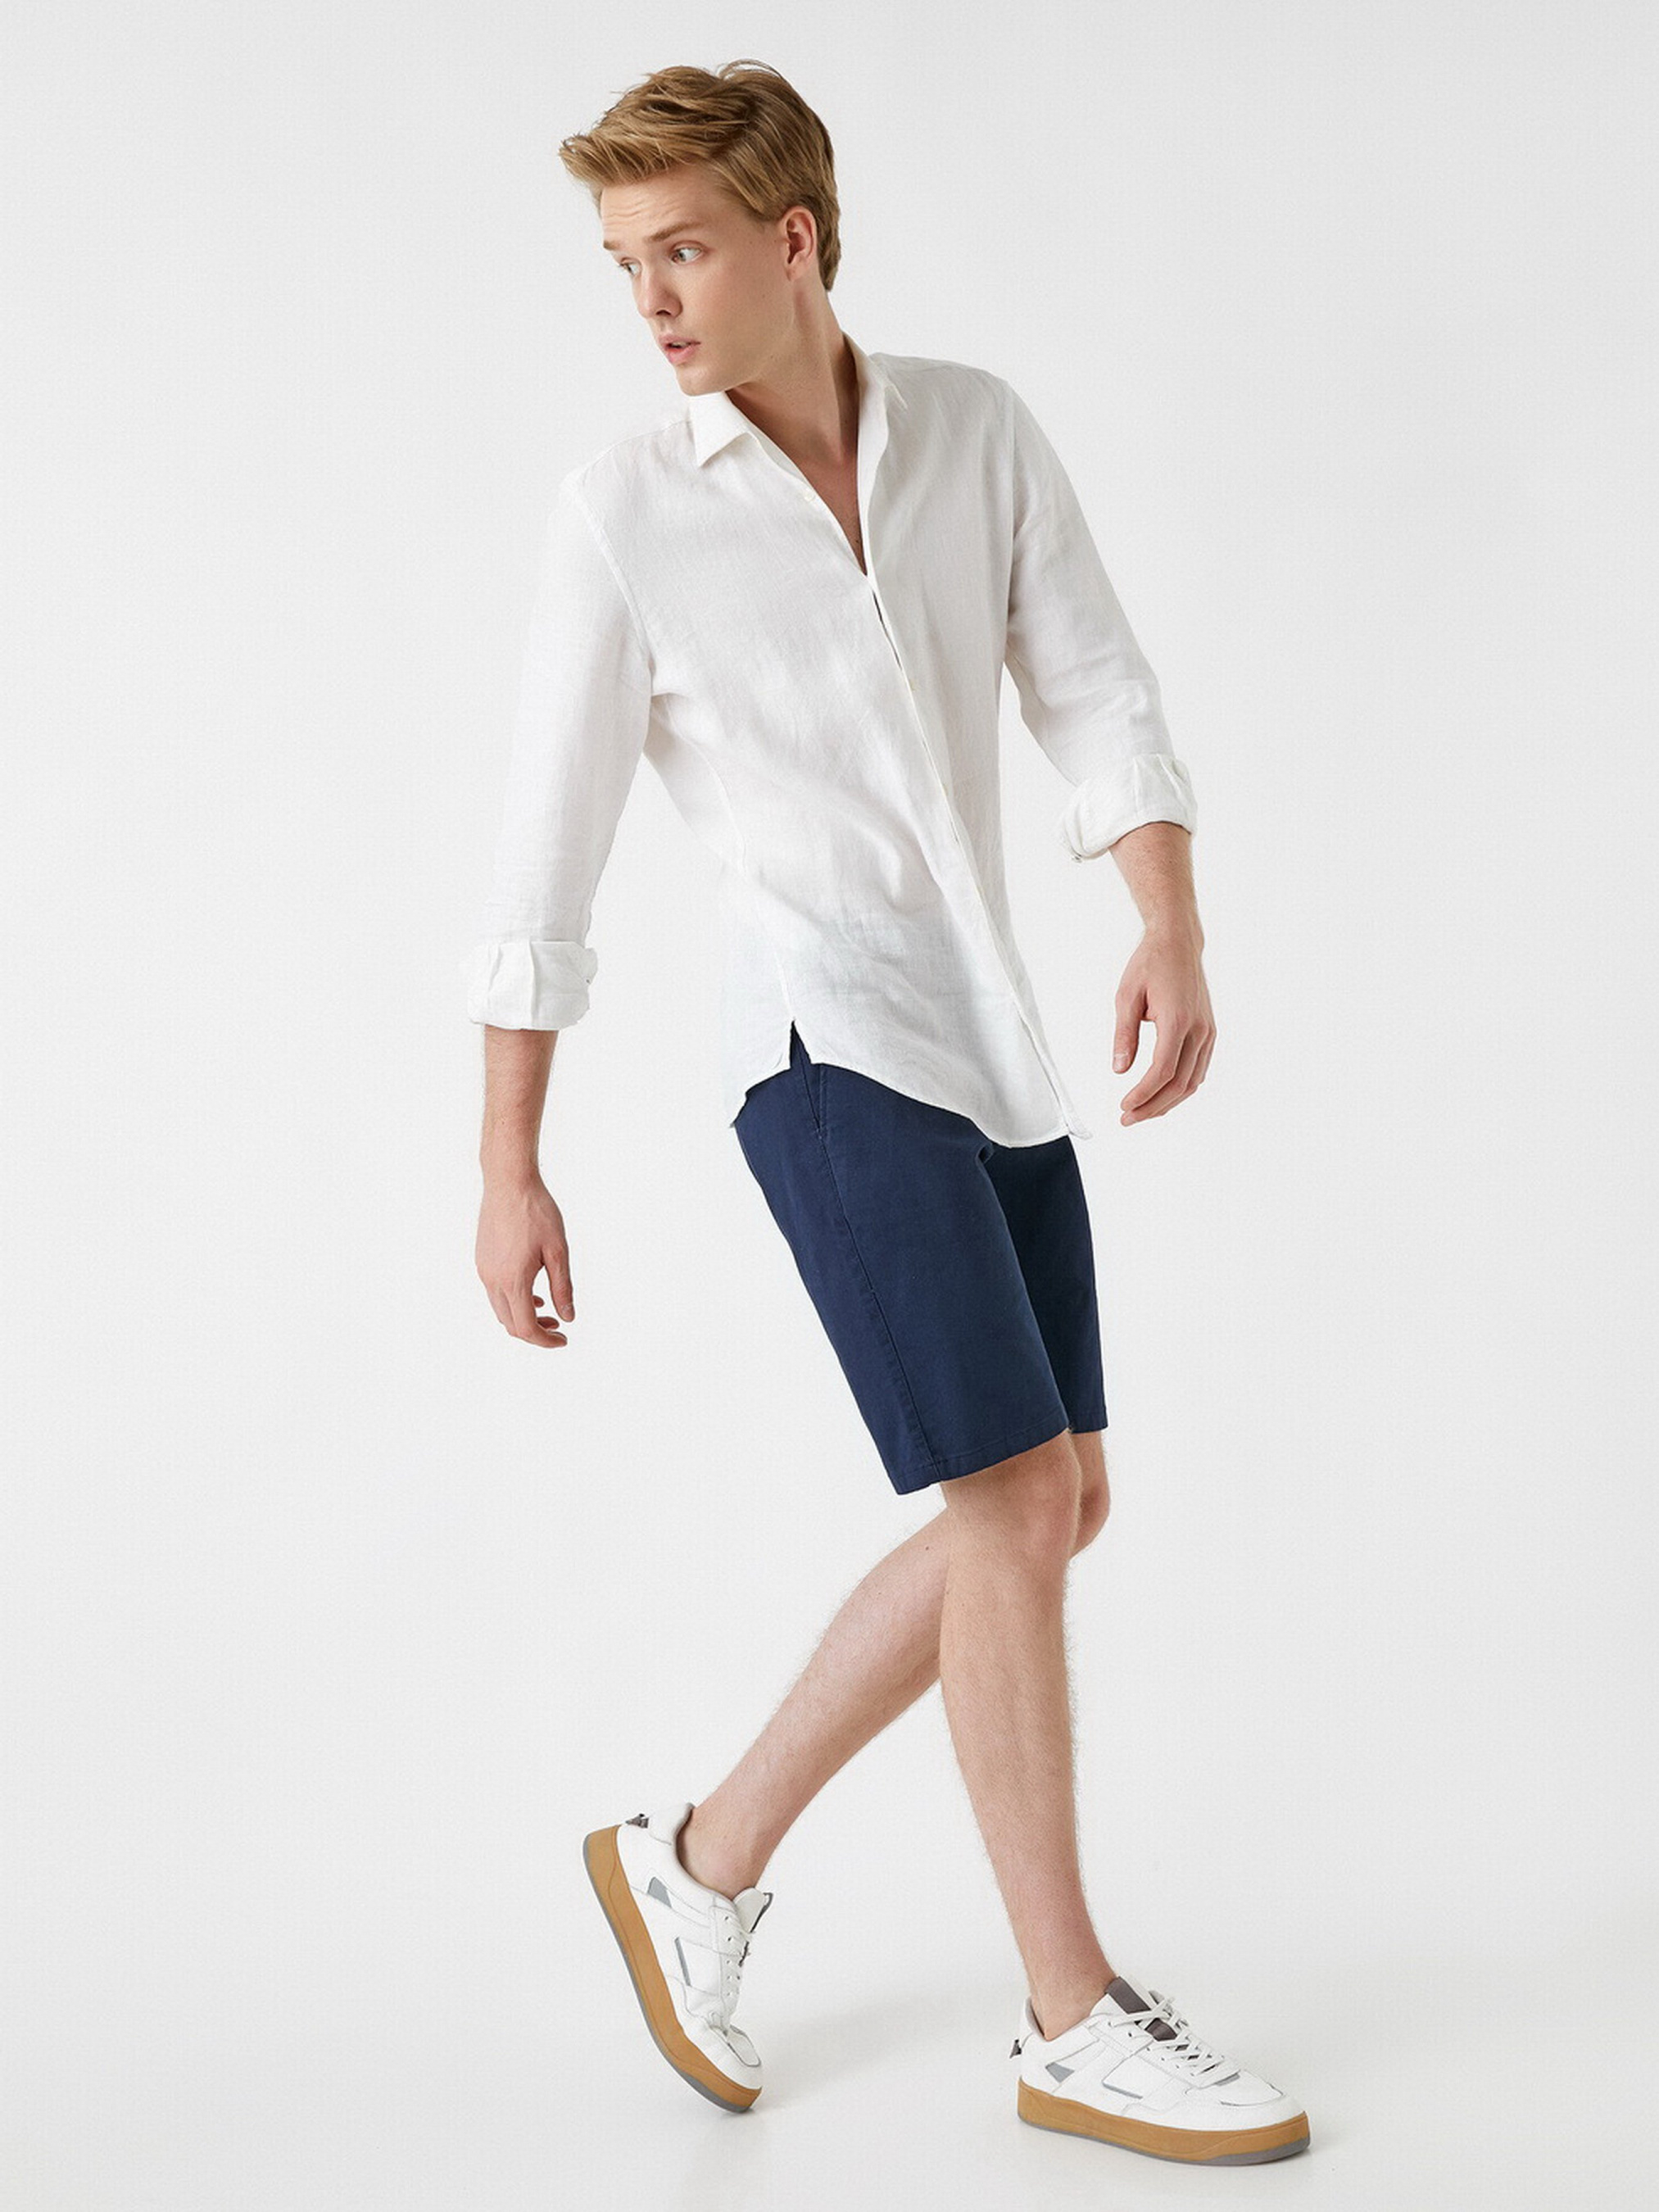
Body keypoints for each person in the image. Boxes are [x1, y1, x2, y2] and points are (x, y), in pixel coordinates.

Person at [460, 58, 1309, 2167]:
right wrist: (506, 1159)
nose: (648, 300)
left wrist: (1168, 921)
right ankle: (1068, 2014)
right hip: (821, 1050)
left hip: (989, 1040)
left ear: (793, 240)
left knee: (1053, 1501)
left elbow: (1092, 687)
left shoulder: (971, 430)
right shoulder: (623, 512)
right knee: (1011, 1507)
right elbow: (540, 861)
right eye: (621, 263)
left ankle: (697, 1862)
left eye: (679, 249)